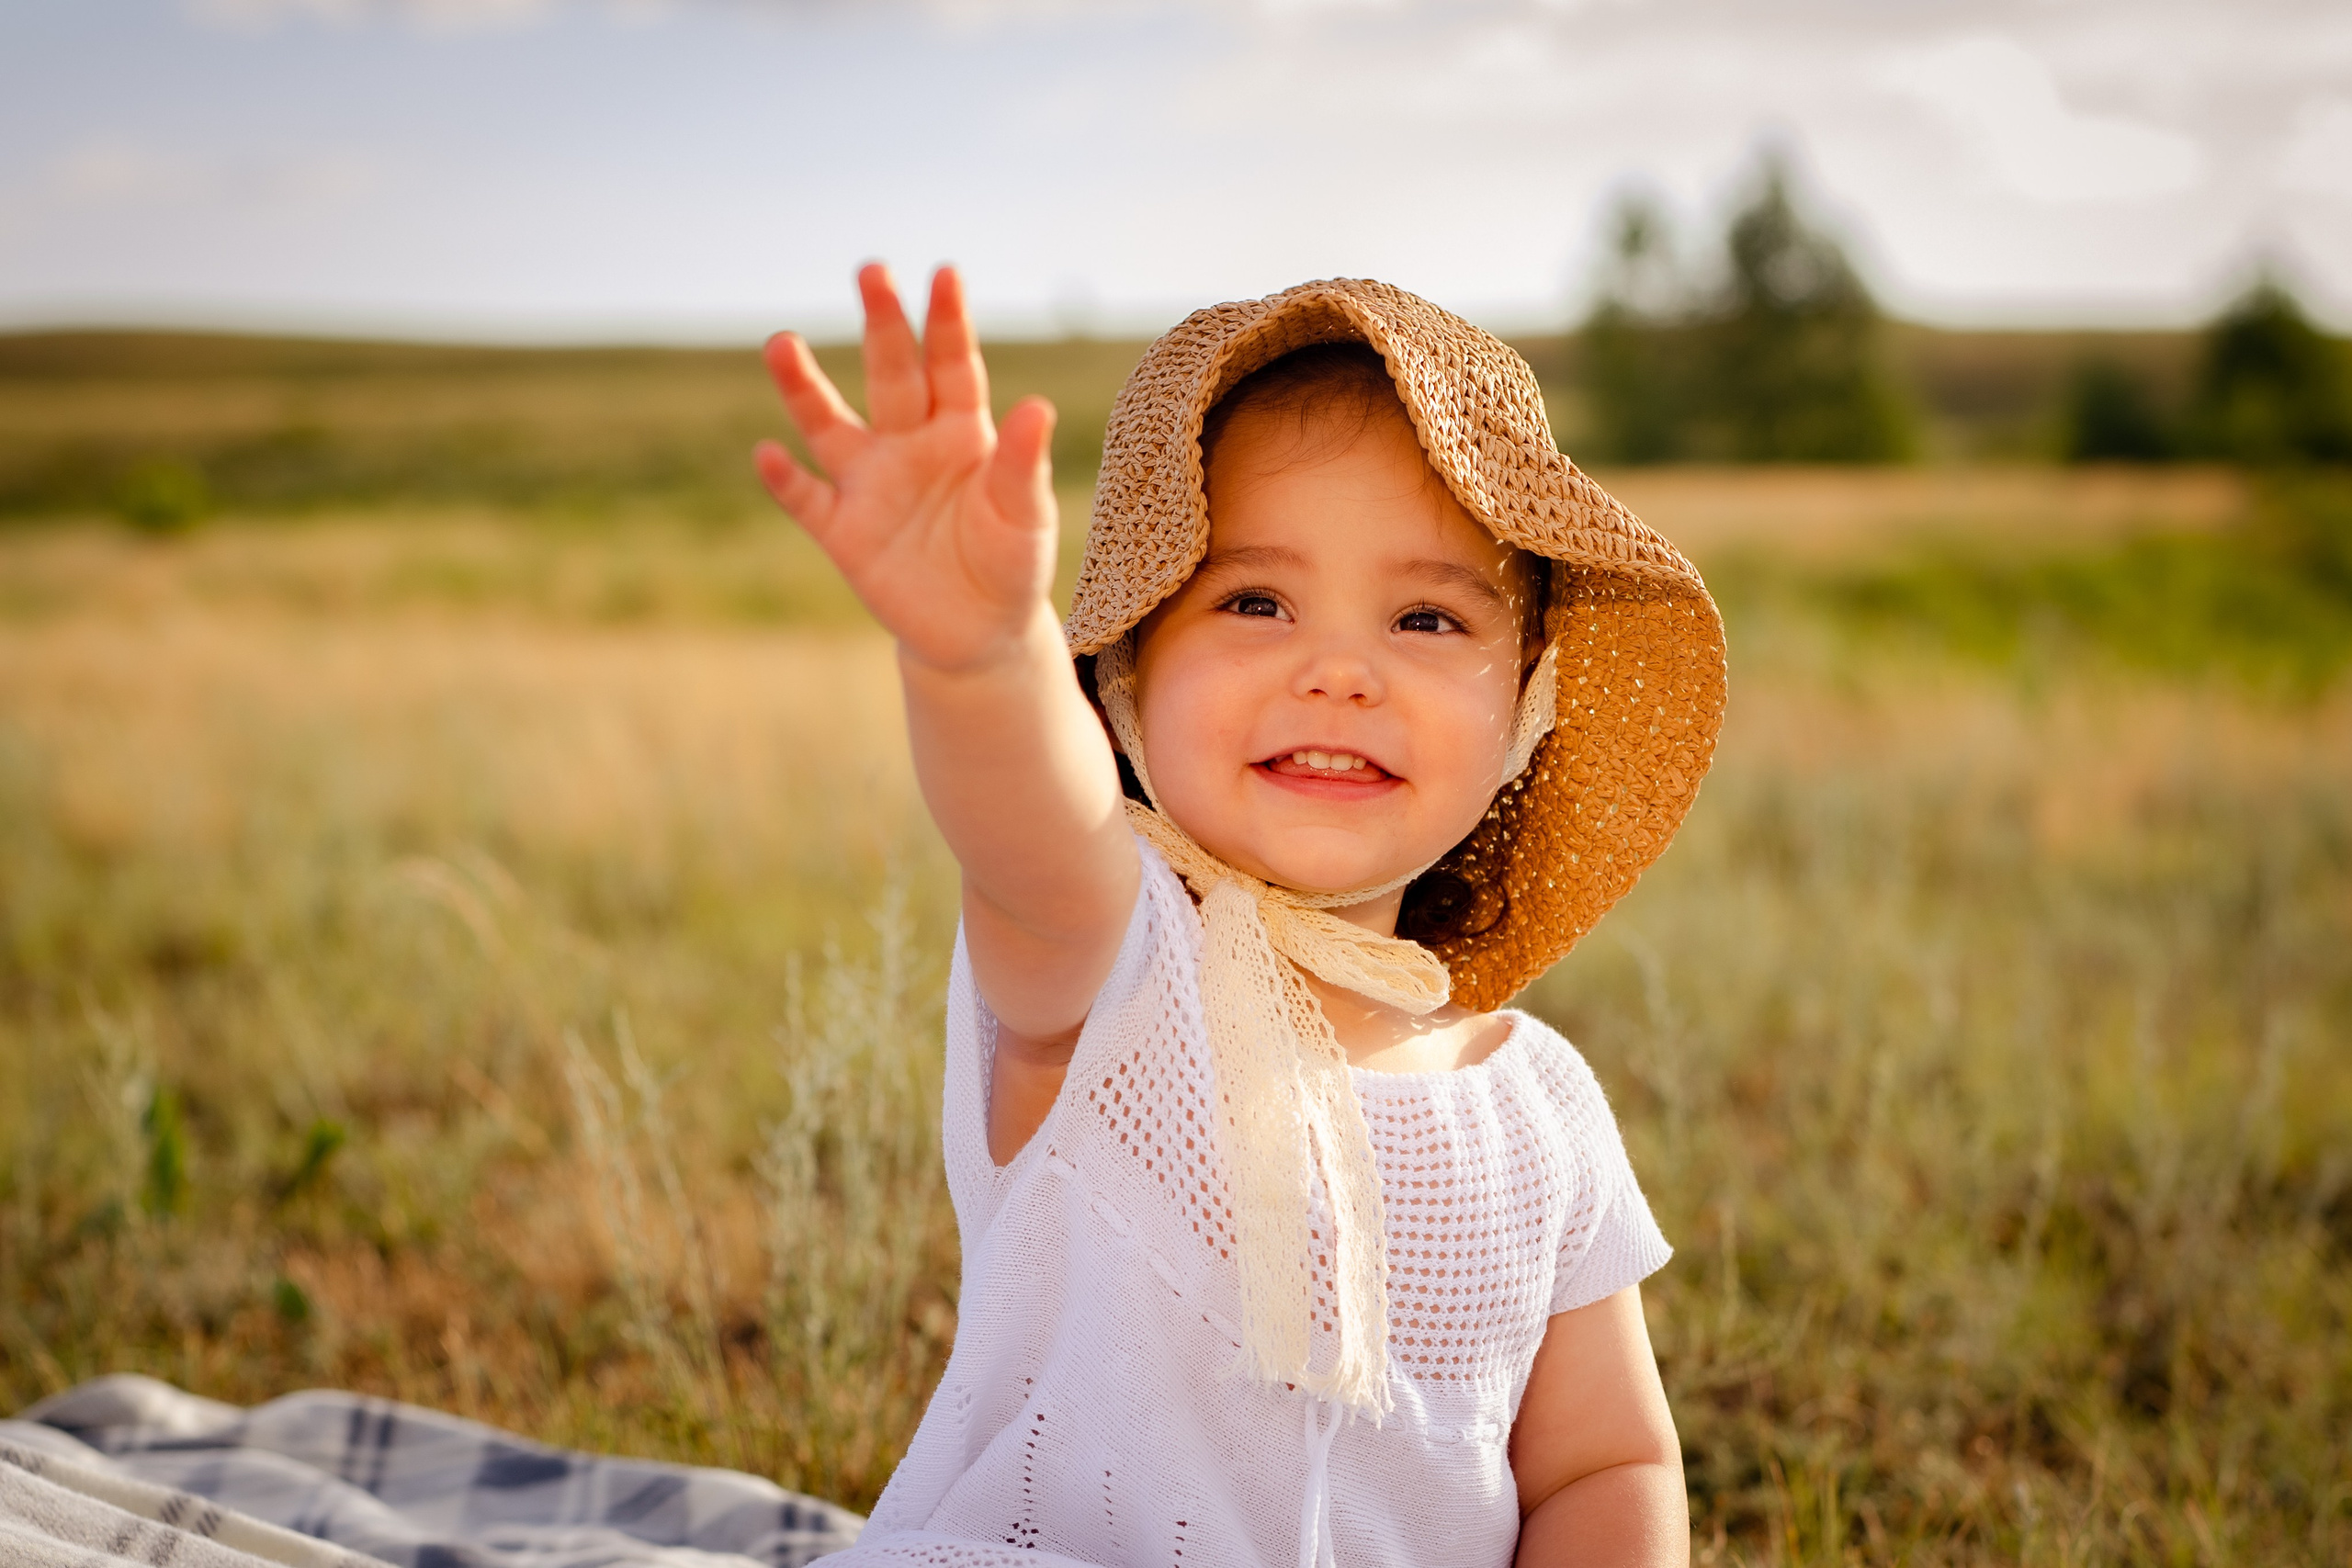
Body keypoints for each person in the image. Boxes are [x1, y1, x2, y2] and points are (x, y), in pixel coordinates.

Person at [754, 265, 1727, 1568]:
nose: (1338, 669)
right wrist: (980, 658)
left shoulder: (1539, 1111)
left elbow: (1607, 1463)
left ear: (1525, 718)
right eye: (1254, 601)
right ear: (1126, 679)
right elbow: (1030, 836)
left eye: (1427, 615)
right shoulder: (1112, 964)